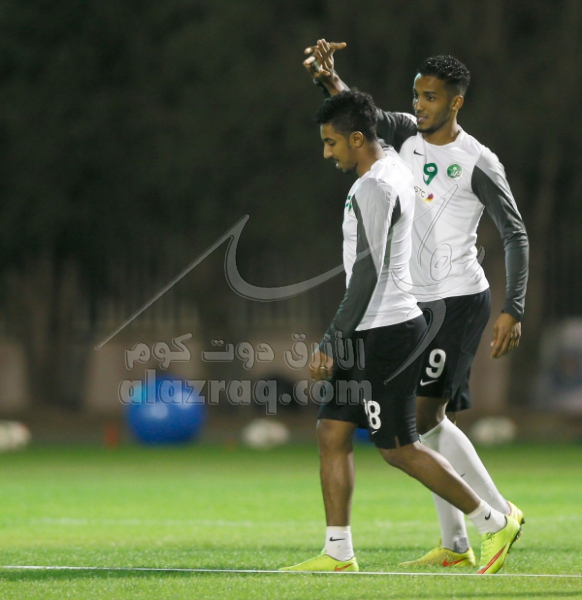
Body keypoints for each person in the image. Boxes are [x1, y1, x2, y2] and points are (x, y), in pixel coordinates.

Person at [302, 41, 529, 568]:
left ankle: (498, 517)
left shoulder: (477, 161)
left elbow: (514, 233)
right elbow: (360, 119)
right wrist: (328, 79)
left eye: (431, 98)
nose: (419, 105)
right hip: (411, 302)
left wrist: (513, 306)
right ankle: (456, 544)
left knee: (422, 421)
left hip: (456, 300)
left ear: (456, 103)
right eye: (416, 95)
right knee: (417, 425)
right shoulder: (404, 134)